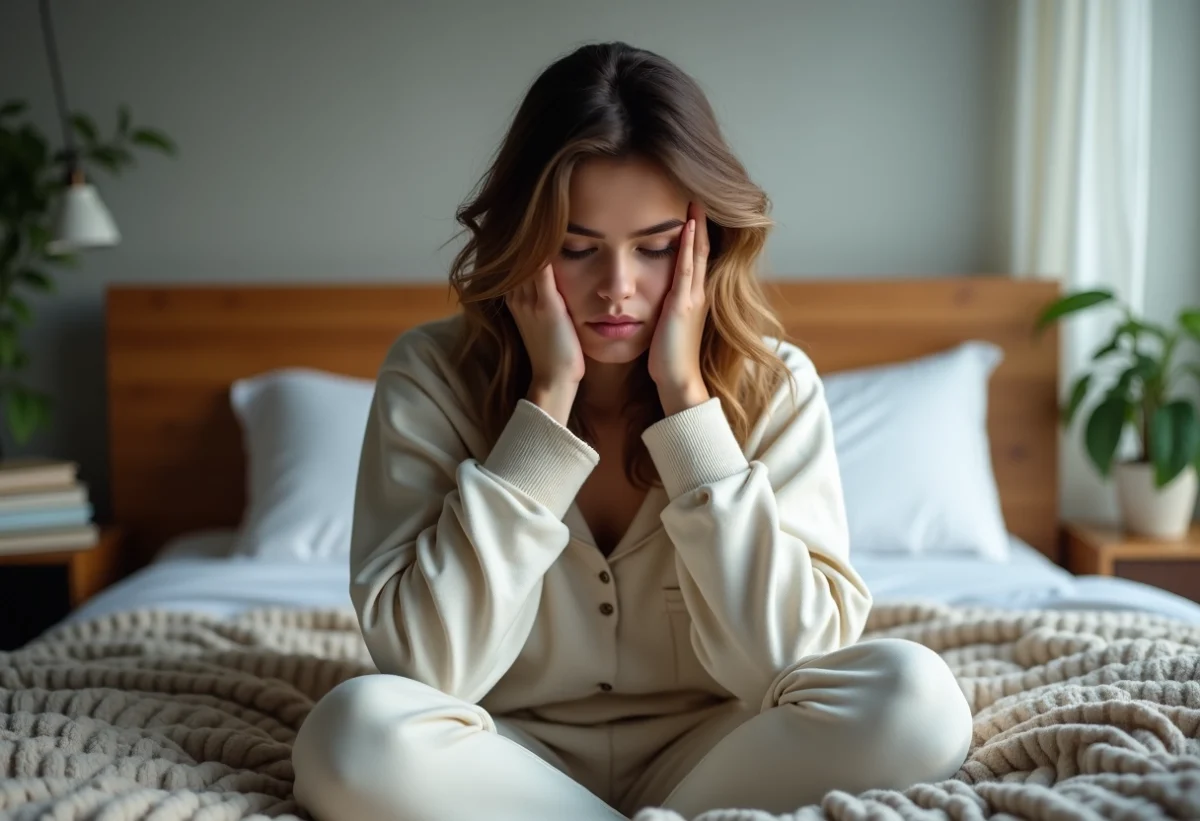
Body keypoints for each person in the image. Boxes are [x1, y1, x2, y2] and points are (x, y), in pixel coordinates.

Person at [291, 41, 973, 821]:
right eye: (577, 248)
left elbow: (792, 661)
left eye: (655, 248)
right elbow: (427, 670)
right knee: (349, 734)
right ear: (523, 243)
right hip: (501, 755)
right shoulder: (430, 375)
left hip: (726, 751)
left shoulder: (775, 384)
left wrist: (688, 406)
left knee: (920, 700)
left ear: (708, 244)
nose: (617, 288)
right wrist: (547, 403)